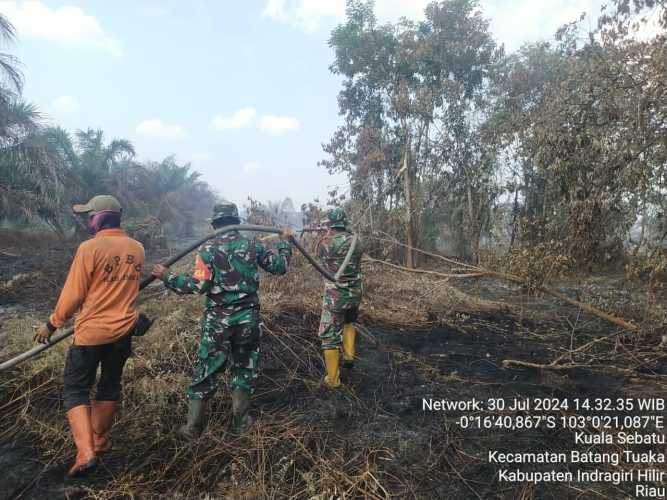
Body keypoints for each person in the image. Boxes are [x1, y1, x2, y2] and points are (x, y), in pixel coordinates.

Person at [151, 202, 292, 438]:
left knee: (206, 369)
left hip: (217, 322)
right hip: (248, 319)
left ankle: (193, 427)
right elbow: (279, 267)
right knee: (244, 366)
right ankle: (240, 422)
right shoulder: (253, 244)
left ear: (215, 224)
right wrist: (285, 244)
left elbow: (198, 285)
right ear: (237, 222)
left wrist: (168, 277)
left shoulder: (207, 250)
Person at [34, 195, 145, 478]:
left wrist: (51, 323)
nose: (86, 220)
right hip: (123, 332)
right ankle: (98, 439)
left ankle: (85, 453)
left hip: (92, 333)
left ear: (100, 217)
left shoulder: (90, 248)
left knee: (75, 388)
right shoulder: (137, 248)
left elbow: (74, 293)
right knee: (109, 384)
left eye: (89, 215)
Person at [316, 207, 363, 389]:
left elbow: (320, 257)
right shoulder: (357, 242)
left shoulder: (325, 243)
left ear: (330, 224)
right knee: (349, 322)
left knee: (329, 336)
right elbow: (351, 246)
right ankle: (349, 356)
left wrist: (326, 234)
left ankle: (333, 380)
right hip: (355, 294)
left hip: (336, 298)